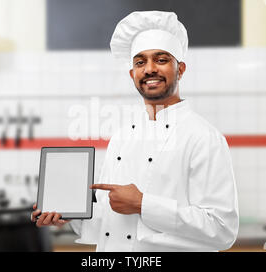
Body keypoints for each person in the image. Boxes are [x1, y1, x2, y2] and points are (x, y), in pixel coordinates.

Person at [31, 10, 239, 252]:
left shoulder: (204, 138)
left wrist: (143, 204)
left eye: (161, 60)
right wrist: (69, 214)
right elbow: (113, 224)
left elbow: (223, 229)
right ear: (133, 74)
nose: (149, 69)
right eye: (140, 62)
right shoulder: (121, 137)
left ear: (180, 69)